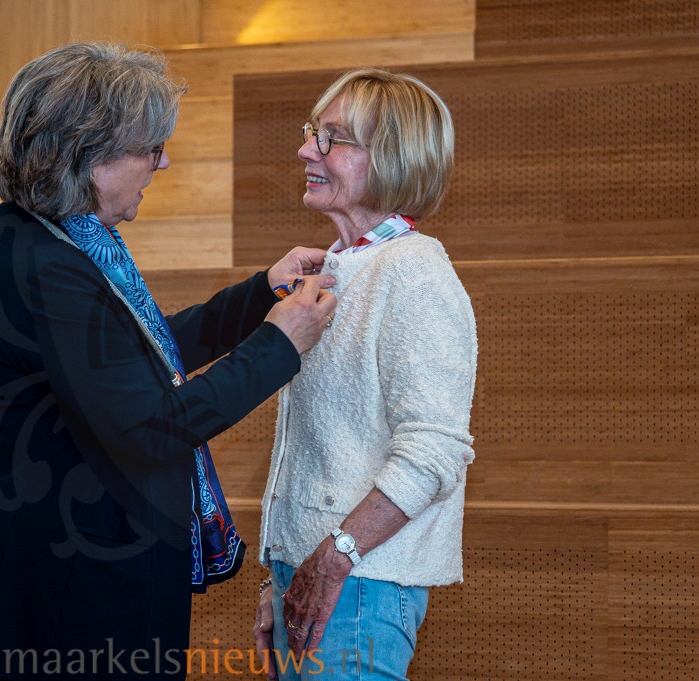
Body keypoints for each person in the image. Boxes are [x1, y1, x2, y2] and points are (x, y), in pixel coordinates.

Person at [0, 42, 337, 681]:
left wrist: (260, 296)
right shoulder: (45, 262)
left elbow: (138, 356)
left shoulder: (52, 234)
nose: (163, 162)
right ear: (90, 155)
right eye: (150, 148)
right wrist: (279, 345)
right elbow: (150, 427)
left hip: (62, 568)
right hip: (60, 588)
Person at [252, 68, 478, 680]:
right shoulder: (341, 266)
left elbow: (435, 451)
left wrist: (333, 557)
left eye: (331, 138)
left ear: (392, 159)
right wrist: (279, 577)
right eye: (312, 132)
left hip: (359, 585)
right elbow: (321, 452)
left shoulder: (415, 273)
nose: (307, 151)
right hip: (314, 576)